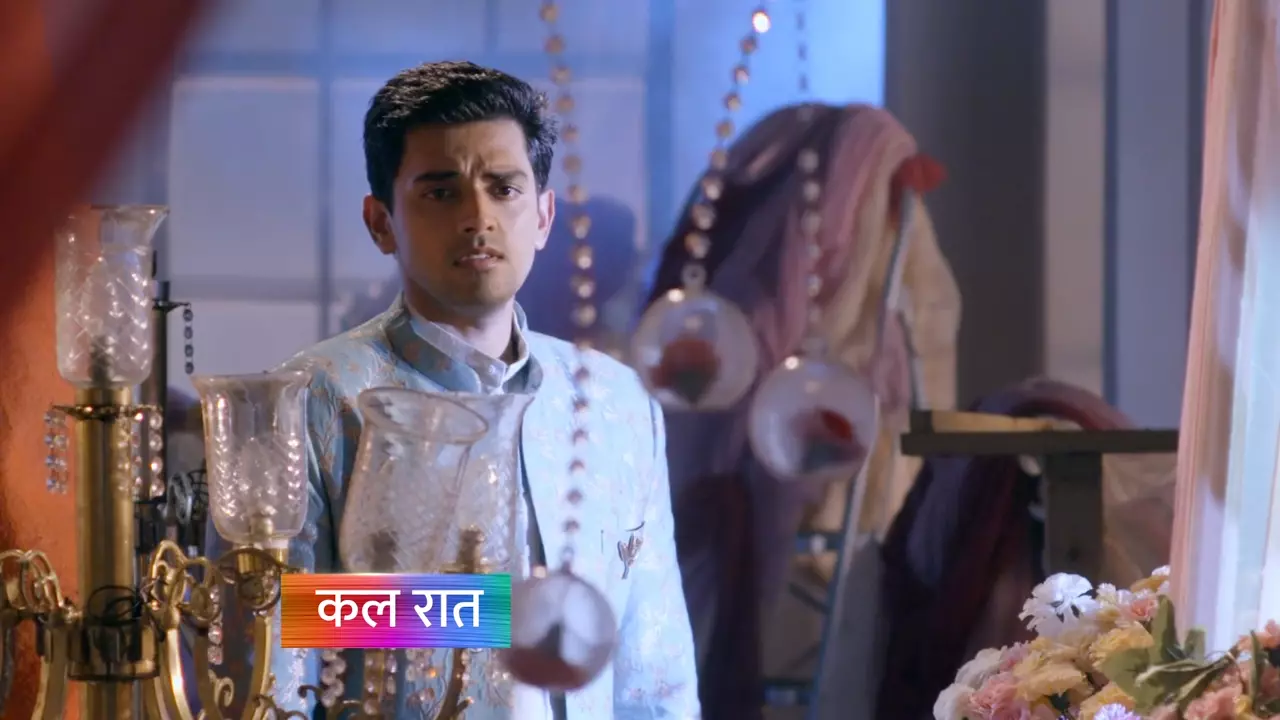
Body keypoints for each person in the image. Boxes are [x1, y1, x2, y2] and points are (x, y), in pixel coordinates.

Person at [209, 61, 699, 719]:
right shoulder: (310, 399)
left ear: (544, 215)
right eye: (441, 192)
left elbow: (655, 670)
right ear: (381, 222)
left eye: (504, 188)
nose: (478, 217)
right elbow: (266, 643)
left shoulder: (617, 405)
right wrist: (491, 612)